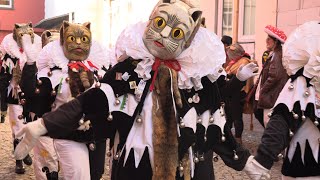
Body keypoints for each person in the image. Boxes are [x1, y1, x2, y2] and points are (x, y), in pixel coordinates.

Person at [14, 0, 258, 179]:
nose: (163, 35)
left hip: (189, 168)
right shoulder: (130, 69)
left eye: (176, 32)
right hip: (136, 164)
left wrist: (244, 160)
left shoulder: (198, 78)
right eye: (160, 23)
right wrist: (44, 124)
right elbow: (93, 101)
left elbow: (216, 123)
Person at [19, 22, 111, 180]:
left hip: (96, 135)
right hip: (68, 134)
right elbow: (32, 95)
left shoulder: (97, 70)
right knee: (78, 176)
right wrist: (29, 63)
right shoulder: (53, 74)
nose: (78, 44)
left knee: (96, 175)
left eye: (82, 39)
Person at [244, 21, 320, 180]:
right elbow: (282, 118)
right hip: (308, 166)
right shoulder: (303, 82)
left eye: (269, 39)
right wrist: (262, 160)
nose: (266, 42)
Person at [0, 23, 40, 174]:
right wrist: (2, 103)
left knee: (29, 124)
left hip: (31, 95)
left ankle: (25, 151)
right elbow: (3, 79)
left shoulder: (36, 53)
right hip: (15, 94)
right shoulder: (10, 56)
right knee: (17, 127)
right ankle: (19, 159)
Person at [251, 25, 289, 127]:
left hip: (271, 96)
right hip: (270, 95)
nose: (266, 41)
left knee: (268, 122)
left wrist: (263, 89)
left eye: (269, 39)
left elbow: (275, 76)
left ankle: (270, 142)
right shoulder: (274, 53)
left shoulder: (277, 55)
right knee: (259, 114)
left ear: (276, 42)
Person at [222, 43, 257, 144]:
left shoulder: (243, 62)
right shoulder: (234, 62)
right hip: (231, 94)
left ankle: (238, 139)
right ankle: (228, 137)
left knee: (237, 117)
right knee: (229, 117)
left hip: (238, 94)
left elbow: (242, 79)